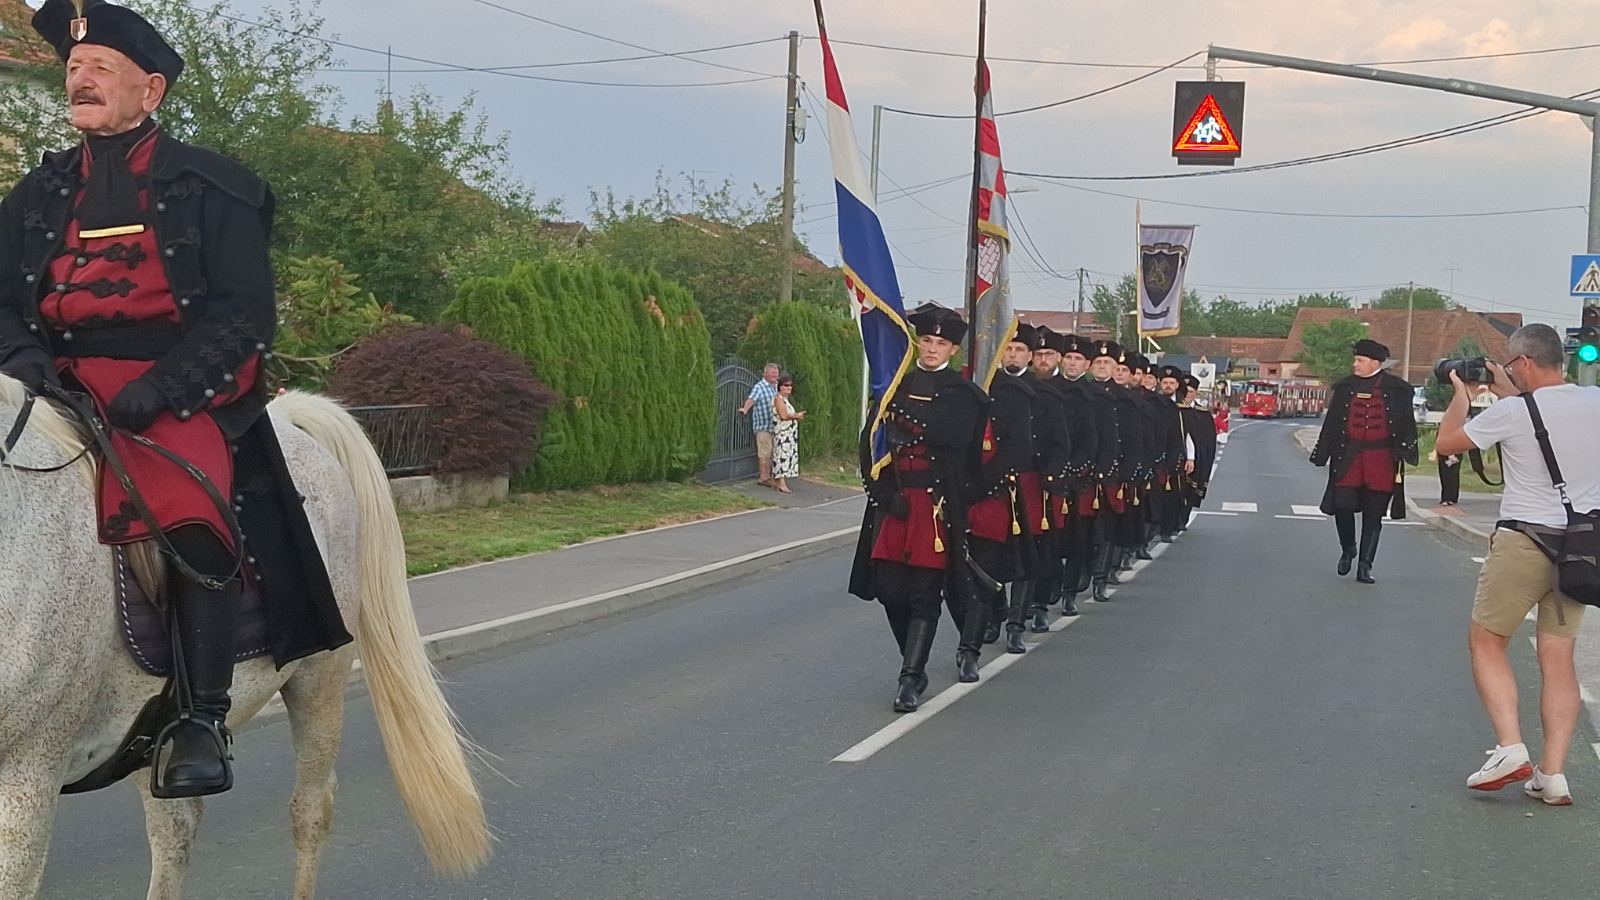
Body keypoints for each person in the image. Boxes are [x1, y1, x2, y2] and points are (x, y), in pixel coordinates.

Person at [0, 0, 352, 797]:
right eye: (73, 70)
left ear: (150, 89)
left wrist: (162, 388)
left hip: (177, 388)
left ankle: (197, 716)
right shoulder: (38, 191)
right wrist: (25, 360)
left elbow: (244, 315)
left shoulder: (216, 186)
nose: (79, 80)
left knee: (186, 509)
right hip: (53, 382)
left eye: (101, 70)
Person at [1434, 324, 1600, 805]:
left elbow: (1447, 444)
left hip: (1524, 540)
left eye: (1511, 365)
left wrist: (1462, 394)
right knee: (1558, 657)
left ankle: (1510, 747)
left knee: (1487, 641)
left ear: (1524, 363)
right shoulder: (1593, 402)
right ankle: (1553, 774)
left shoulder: (1512, 411)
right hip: (1581, 547)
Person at [848, 303, 987, 712]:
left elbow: (949, 437)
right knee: (891, 593)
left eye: (940, 343)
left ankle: (910, 679)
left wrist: (904, 409)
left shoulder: (965, 395)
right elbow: (869, 442)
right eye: (926, 340)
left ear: (952, 351)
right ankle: (914, 663)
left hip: (936, 507)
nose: (931, 349)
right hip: (896, 503)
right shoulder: (895, 386)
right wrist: (883, 491)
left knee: (925, 595)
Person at [1309, 339, 1418, 584]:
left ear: (1375, 362)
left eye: (1359, 360)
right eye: (1355, 360)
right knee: (1342, 505)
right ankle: (1348, 548)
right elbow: (1332, 423)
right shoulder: (1345, 387)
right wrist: (1322, 452)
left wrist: (1405, 451)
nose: (1355, 364)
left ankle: (1365, 566)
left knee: (1374, 515)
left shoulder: (1399, 389)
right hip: (1349, 457)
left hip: (1381, 460)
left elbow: (1407, 425)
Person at [970, 324, 1043, 662]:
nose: (1012, 355)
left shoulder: (1041, 392)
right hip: (988, 484)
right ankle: (994, 612)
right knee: (987, 555)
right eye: (1008, 349)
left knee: (1023, 555)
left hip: (1026, 483)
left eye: (1019, 350)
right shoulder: (985, 386)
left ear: (1030, 355)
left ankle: (1016, 623)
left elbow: (1054, 440)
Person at [739, 362, 782, 486]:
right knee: (765, 452)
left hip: (776, 426)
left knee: (774, 452)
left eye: (777, 374)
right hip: (763, 425)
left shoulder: (777, 386)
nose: (775, 376)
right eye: (773, 374)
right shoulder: (760, 387)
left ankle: (771, 476)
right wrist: (745, 409)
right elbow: (752, 399)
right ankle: (763, 477)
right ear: (766, 374)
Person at [770, 375, 804, 493]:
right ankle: (781, 483)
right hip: (782, 434)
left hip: (789, 434)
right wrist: (796, 416)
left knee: (786, 456)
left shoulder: (786, 400)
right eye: (786, 385)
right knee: (781, 456)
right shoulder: (778, 399)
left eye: (790, 385)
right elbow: (783, 416)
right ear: (780, 387)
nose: (789, 388)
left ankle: (779, 481)